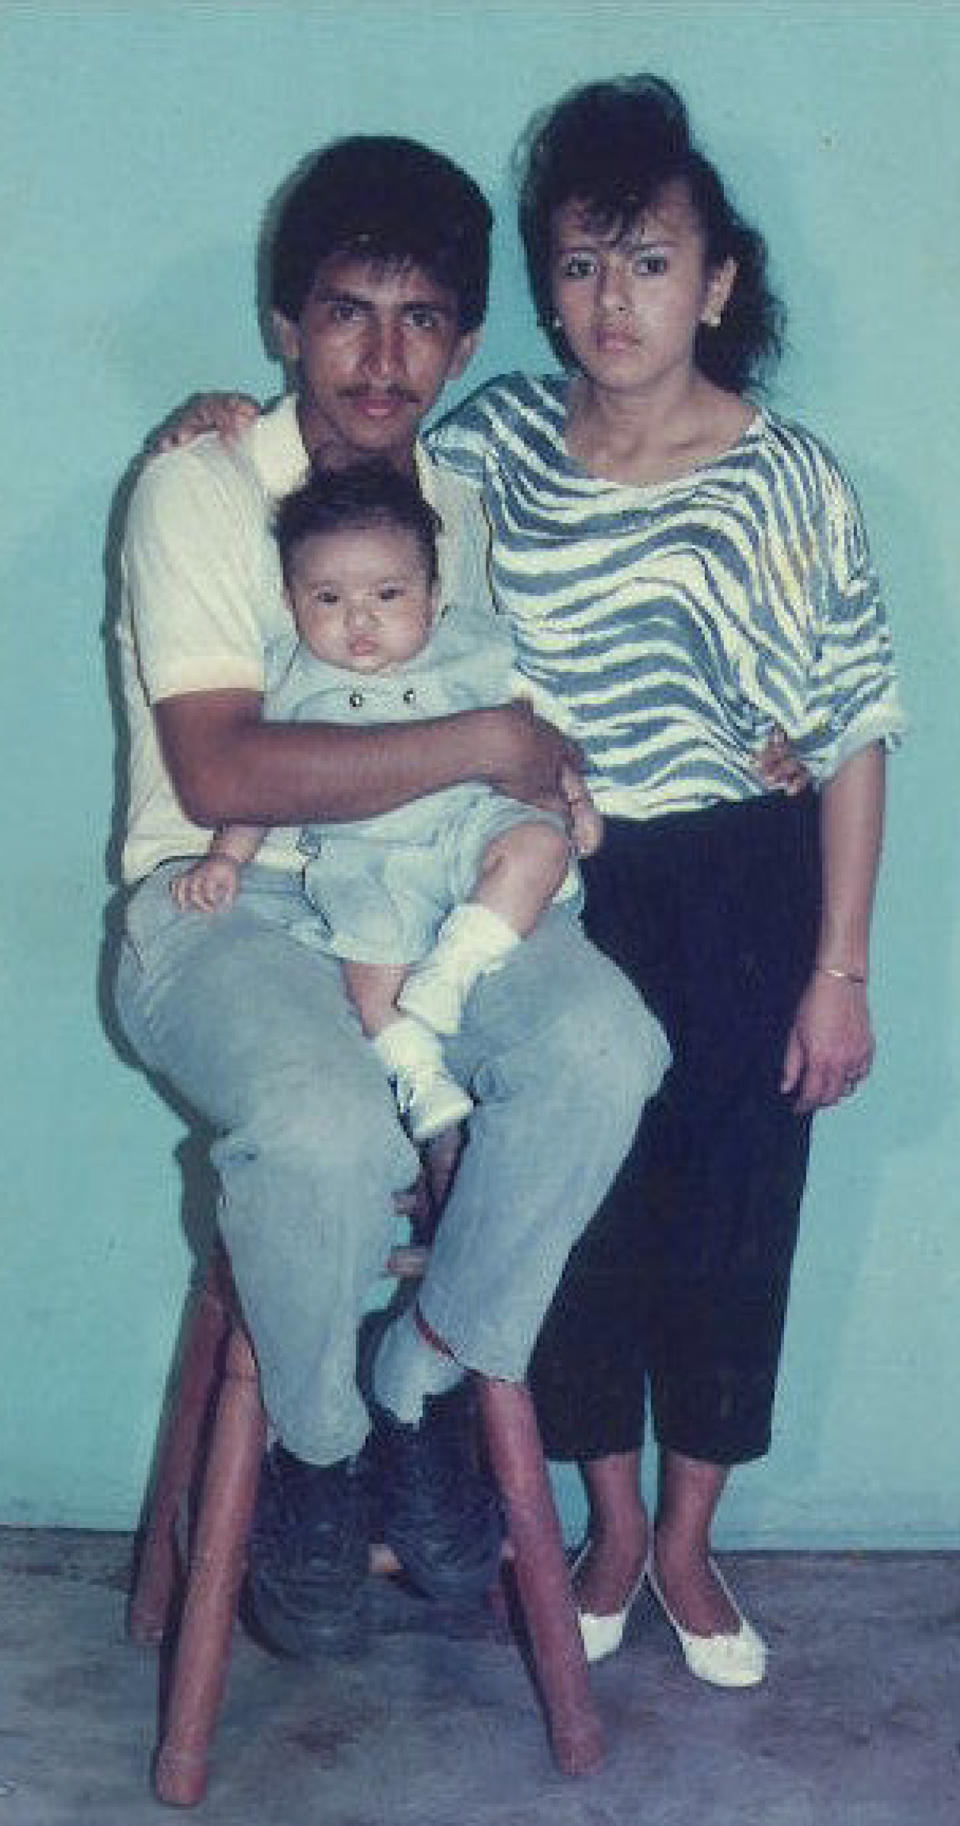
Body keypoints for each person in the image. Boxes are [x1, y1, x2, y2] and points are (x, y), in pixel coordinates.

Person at [113, 132, 668, 1660]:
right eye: (347, 310)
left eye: (422, 318)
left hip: (431, 895)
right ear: (285, 321)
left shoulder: (463, 494)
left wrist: (532, 781)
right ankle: (317, 1443)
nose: (382, 354)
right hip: (222, 902)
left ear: (467, 339)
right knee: (320, 1130)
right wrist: (489, 738)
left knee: (609, 1044)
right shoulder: (201, 487)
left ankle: (420, 1366)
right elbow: (222, 767)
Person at [424, 74, 904, 1685]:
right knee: (571, 1216)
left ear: (718, 282)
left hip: (743, 882)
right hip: (553, 889)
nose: (608, 299)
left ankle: (689, 1547)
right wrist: (231, 427)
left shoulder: (791, 477)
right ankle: (609, 1526)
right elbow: (347, 529)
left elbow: (851, 731)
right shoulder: (484, 444)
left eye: (646, 261)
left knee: (733, 1219)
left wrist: (839, 965)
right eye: (576, 262)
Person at [172, 458, 598, 1144]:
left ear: (433, 594)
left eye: (389, 595)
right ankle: (418, 1074)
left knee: (539, 847)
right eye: (329, 599)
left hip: (472, 826)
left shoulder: (471, 649)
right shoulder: (294, 685)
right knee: (369, 982)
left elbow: (536, 738)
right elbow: (264, 790)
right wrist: (226, 860)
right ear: (291, 602)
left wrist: (577, 802)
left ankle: (456, 967)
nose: (359, 621)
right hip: (368, 861)